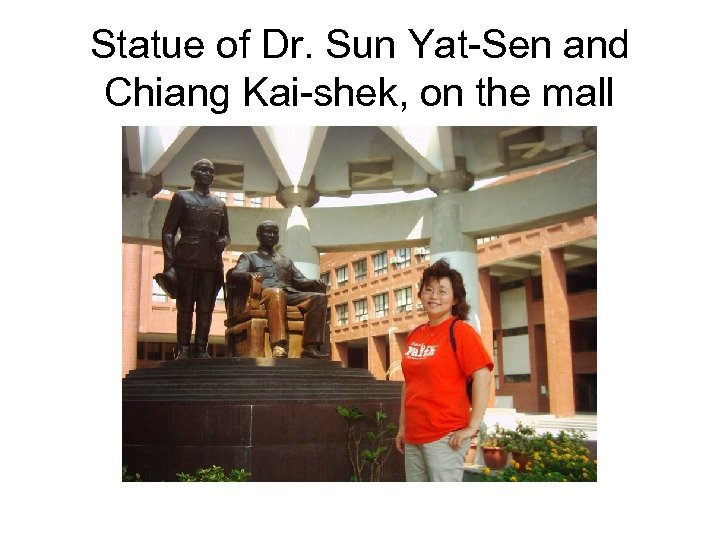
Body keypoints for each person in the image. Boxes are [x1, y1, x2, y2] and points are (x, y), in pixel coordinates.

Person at [394, 258, 494, 481]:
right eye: (428, 290)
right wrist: (403, 427)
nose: (434, 296)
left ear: (455, 298)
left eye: (442, 291)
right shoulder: (415, 335)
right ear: (420, 295)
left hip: (445, 437)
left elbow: (483, 377)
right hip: (413, 436)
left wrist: (472, 426)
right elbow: (409, 384)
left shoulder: (461, 332)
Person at [154, 158, 230, 360]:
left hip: (211, 262)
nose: (207, 174)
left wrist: (223, 242)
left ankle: (201, 349)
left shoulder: (220, 204)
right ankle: (184, 349)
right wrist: (169, 265)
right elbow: (168, 232)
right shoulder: (181, 197)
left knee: (206, 308)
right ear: (194, 174)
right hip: (186, 259)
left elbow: (226, 234)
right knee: (185, 306)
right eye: (203, 170)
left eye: (211, 171)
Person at [227, 220, 329, 359]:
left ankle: (310, 347)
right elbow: (235, 274)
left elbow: (300, 281)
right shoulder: (249, 257)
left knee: (319, 298)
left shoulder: (285, 260)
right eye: (268, 232)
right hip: (265, 294)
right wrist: (250, 275)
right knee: (276, 293)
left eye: (275, 232)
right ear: (259, 235)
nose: (272, 235)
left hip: (290, 293)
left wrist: (315, 282)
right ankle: (278, 345)